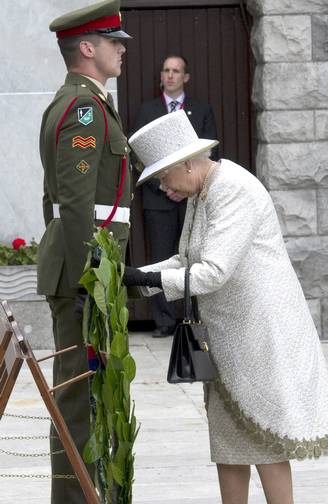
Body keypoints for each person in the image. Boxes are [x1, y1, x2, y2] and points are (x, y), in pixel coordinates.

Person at [124, 110, 328, 504]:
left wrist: (146, 281)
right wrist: (130, 280)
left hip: (260, 336)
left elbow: (212, 272)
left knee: (266, 441)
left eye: (162, 175)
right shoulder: (202, 189)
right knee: (229, 444)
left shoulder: (232, 189)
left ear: (188, 163)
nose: (161, 185)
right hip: (228, 338)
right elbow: (185, 261)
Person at [37, 1, 132, 502]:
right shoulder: (84, 107)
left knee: (86, 396)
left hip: (90, 271)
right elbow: (73, 203)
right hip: (85, 277)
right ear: (88, 49)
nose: (122, 49)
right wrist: (84, 280)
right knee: (78, 400)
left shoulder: (85, 102)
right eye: (114, 42)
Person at [132, 55, 218, 337]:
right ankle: (164, 321)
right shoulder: (148, 110)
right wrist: (167, 186)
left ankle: (192, 318)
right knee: (162, 255)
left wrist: (185, 189)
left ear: (186, 77)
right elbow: (140, 159)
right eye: (166, 70)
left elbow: (209, 153)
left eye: (176, 71)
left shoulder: (200, 109)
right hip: (159, 200)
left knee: (196, 254)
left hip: (193, 196)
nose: (170, 75)